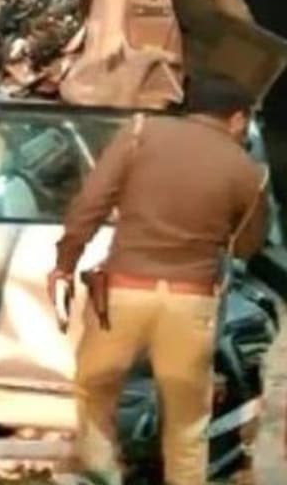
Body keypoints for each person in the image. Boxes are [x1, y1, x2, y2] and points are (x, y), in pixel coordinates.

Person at [50, 73, 268, 485]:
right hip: (191, 302)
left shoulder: (139, 134)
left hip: (122, 292)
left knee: (95, 390)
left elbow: (88, 206)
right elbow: (246, 246)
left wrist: (65, 262)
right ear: (237, 118)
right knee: (187, 423)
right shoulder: (247, 171)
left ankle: (102, 474)